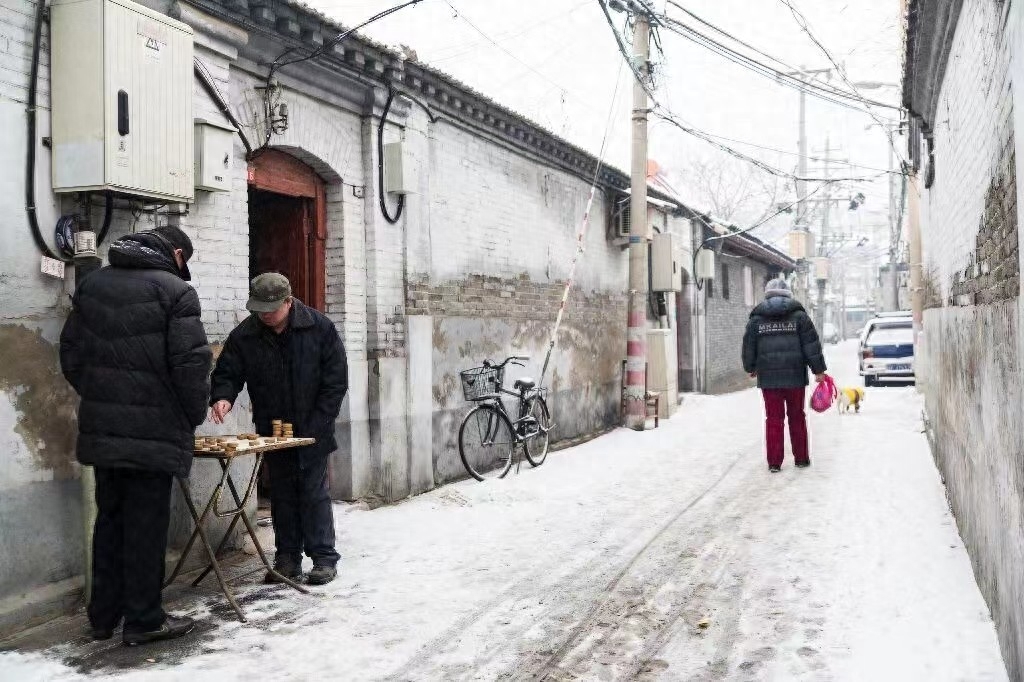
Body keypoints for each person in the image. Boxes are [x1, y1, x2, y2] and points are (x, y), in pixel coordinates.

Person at [59, 226, 211, 646]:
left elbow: (70, 354)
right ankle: (144, 620)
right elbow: (191, 365)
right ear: (176, 253)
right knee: (146, 526)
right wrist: (190, 415)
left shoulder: (92, 285)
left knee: (109, 521)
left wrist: (101, 395)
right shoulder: (175, 292)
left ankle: (103, 617)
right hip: (155, 431)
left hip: (105, 430)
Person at [209, 273, 347, 585]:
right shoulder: (246, 334)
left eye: (271, 309)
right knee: (282, 492)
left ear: (288, 301)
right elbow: (228, 370)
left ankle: (323, 558)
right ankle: (287, 558)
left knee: (313, 492)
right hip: (273, 430)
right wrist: (222, 397)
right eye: (259, 309)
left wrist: (319, 422)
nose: (265, 315)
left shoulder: (319, 327)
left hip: (313, 427)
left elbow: (335, 380)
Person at [742, 278, 827, 473]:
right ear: (788, 293)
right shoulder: (799, 317)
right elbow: (811, 345)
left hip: (769, 378)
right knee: (797, 417)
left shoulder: (757, 319)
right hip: (795, 377)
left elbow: (749, 346)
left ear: (767, 293)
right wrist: (819, 370)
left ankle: (774, 462)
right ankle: (801, 458)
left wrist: (751, 367)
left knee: (774, 418)